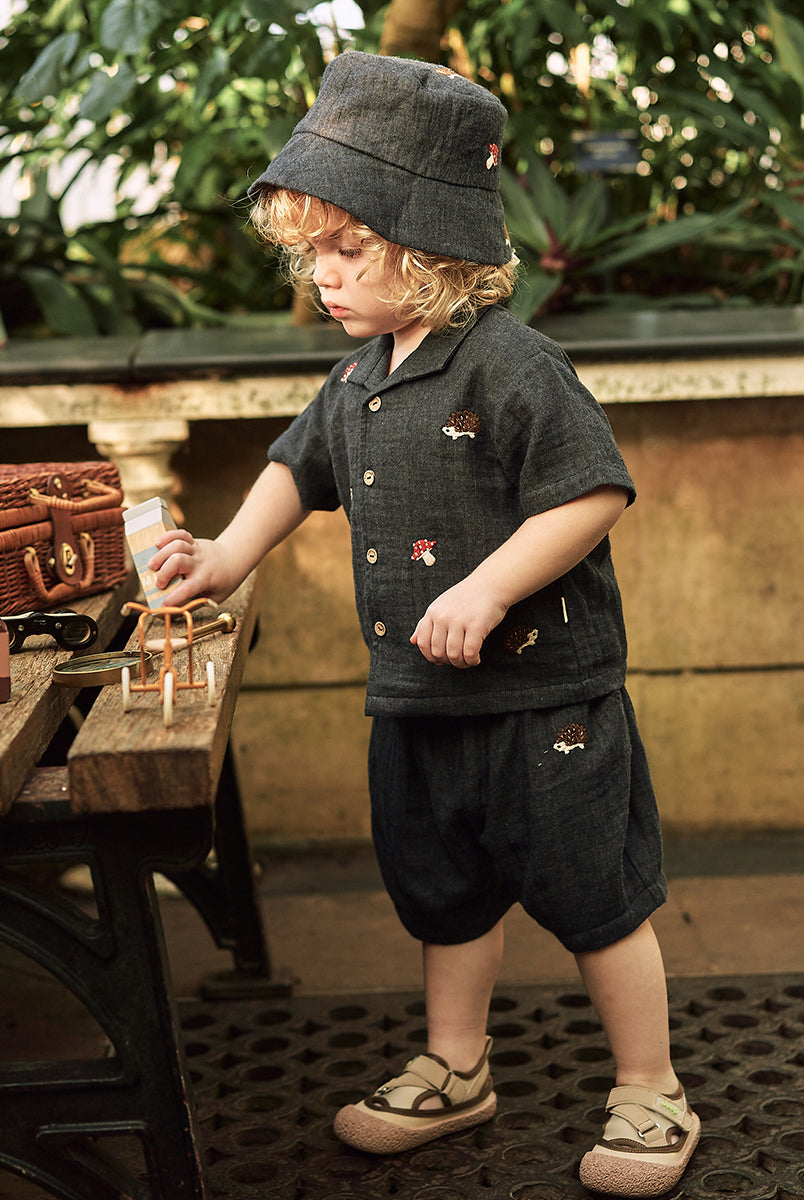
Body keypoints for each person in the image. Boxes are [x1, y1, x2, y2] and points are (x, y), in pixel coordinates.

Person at [151, 51, 699, 1198]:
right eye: (312, 252)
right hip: (416, 701)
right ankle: (457, 1067)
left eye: (348, 250)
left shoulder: (512, 366)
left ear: (435, 247)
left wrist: (490, 586)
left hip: (546, 705)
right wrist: (222, 557)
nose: (322, 275)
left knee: (599, 900)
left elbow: (593, 493)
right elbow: (293, 473)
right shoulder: (357, 377)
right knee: (443, 897)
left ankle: (651, 1087)